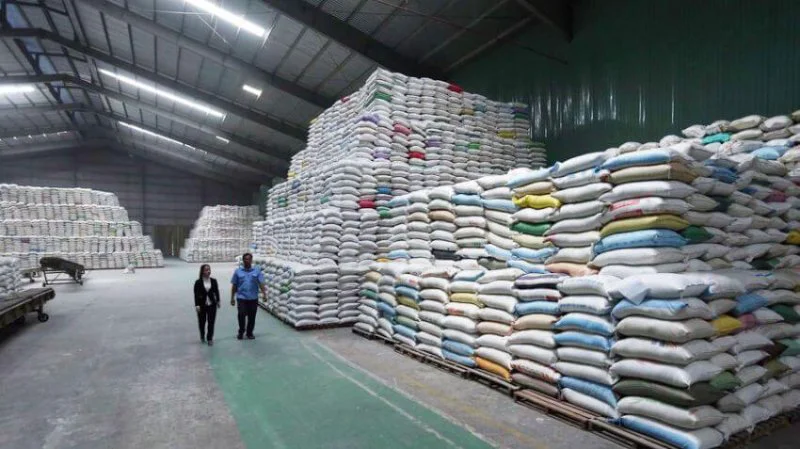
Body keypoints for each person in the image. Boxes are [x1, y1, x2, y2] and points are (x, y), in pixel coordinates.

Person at [230, 253, 266, 340]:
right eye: (245, 259)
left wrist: (264, 294)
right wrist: (232, 298)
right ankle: (241, 331)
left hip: (253, 298)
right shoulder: (238, 271)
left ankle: (249, 333)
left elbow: (261, 283)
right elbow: (234, 285)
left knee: (252, 317)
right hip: (241, 298)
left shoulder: (257, 271)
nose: (247, 261)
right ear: (243, 260)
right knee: (241, 315)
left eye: (249, 259)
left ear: (251, 260)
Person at [193, 264, 220, 346]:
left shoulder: (214, 281)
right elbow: (196, 294)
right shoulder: (198, 282)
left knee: (211, 322)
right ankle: (202, 334)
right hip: (202, 305)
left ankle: (210, 338)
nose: (208, 271)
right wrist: (197, 305)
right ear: (202, 271)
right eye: (206, 270)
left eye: (209, 269)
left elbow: (216, 291)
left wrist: (218, 300)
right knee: (202, 322)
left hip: (212, 304)